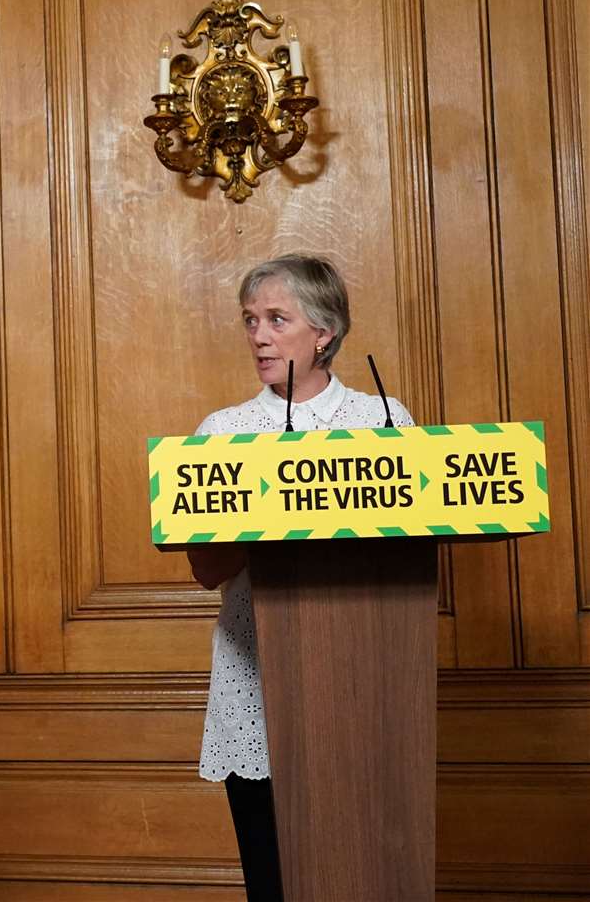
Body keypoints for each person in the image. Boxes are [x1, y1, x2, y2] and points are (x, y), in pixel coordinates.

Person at [187, 254, 413, 902]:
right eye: (250, 320)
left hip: (365, 679)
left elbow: (419, 547)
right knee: (273, 877)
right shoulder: (222, 433)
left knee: (370, 869)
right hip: (256, 678)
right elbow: (205, 570)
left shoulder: (382, 422)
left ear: (323, 330)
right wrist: (262, 516)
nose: (257, 335)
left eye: (275, 319)